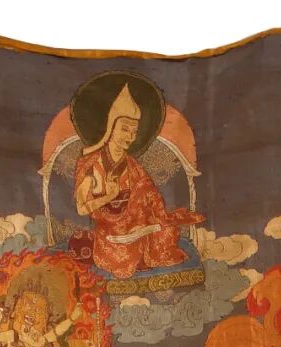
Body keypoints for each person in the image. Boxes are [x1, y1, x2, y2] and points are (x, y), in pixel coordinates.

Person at [74, 82, 202, 277]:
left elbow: (150, 196)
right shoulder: (91, 164)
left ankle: (141, 247)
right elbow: (81, 209)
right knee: (124, 253)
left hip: (135, 227)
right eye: (125, 129)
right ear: (110, 127)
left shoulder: (132, 165)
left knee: (166, 232)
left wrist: (152, 217)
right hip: (110, 233)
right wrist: (109, 196)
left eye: (134, 132)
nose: (130, 136)